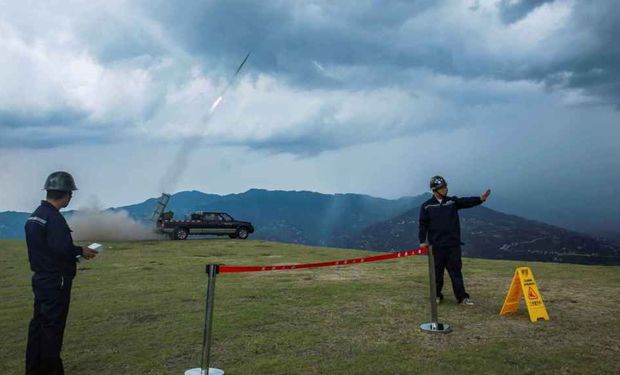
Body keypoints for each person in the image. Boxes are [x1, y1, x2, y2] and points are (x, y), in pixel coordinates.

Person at [25, 171, 98, 375]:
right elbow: (62, 250)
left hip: (40, 279)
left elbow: (47, 249)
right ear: (66, 194)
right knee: (52, 330)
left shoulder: (35, 216)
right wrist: (81, 250)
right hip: (56, 282)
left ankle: (33, 369)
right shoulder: (54, 219)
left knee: (38, 326)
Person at [418, 176, 491, 306]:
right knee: (437, 274)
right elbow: (423, 225)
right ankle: (436, 296)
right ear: (435, 190)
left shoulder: (452, 202)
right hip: (437, 246)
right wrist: (422, 241)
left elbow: (465, 202)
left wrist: (480, 199)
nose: (446, 189)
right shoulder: (427, 206)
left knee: (456, 272)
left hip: (453, 245)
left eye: (446, 186)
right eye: (442, 187)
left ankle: (462, 298)